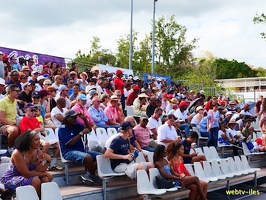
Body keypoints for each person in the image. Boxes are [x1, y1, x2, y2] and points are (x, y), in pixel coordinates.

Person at [0, 130, 53, 198]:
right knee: (35, 180)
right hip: (10, 179)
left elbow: (39, 170)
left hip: (26, 177)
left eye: (39, 139)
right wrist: (45, 173)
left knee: (45, 179)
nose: (39, 141)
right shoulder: (18, 153)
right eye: (36, 140)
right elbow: (26, 174)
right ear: (28, 142)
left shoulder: (37, 151)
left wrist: (48, 161)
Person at [58, 110, 102, 185]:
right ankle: (93, 176)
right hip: (68, 152)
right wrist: (81, 133)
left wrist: (84, 119)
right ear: (67, 118)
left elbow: (89, 129)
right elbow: (71, 143)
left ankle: (88, 175)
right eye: (73, 117)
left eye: (76, 117)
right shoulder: (62, 129)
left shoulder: (75, 125)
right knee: (88, 157)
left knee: (100, 156)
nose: (75, 119)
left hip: (80, 150)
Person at [19, 103, 62, 170]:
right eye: (31, 110)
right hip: (30, 139)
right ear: (25, 110)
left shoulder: (35, 119)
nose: (33, 112)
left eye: (34, 110)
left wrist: (39, 129)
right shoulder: (24, 120)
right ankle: (40, 162)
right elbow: (30, 133)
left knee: (59, 145)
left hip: (38, 137)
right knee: (46, 144)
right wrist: (39, 129)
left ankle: (53, 163)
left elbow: (42, 129)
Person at [0, 84, 20, 154]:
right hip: (3, 125)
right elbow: (1, 119)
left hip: (14, 123)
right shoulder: (2, 101)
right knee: (14, 130)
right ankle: (10, 147)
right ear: (11, 91)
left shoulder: (15, 100)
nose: (18, 92)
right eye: (17, 91)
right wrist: (12, 125)